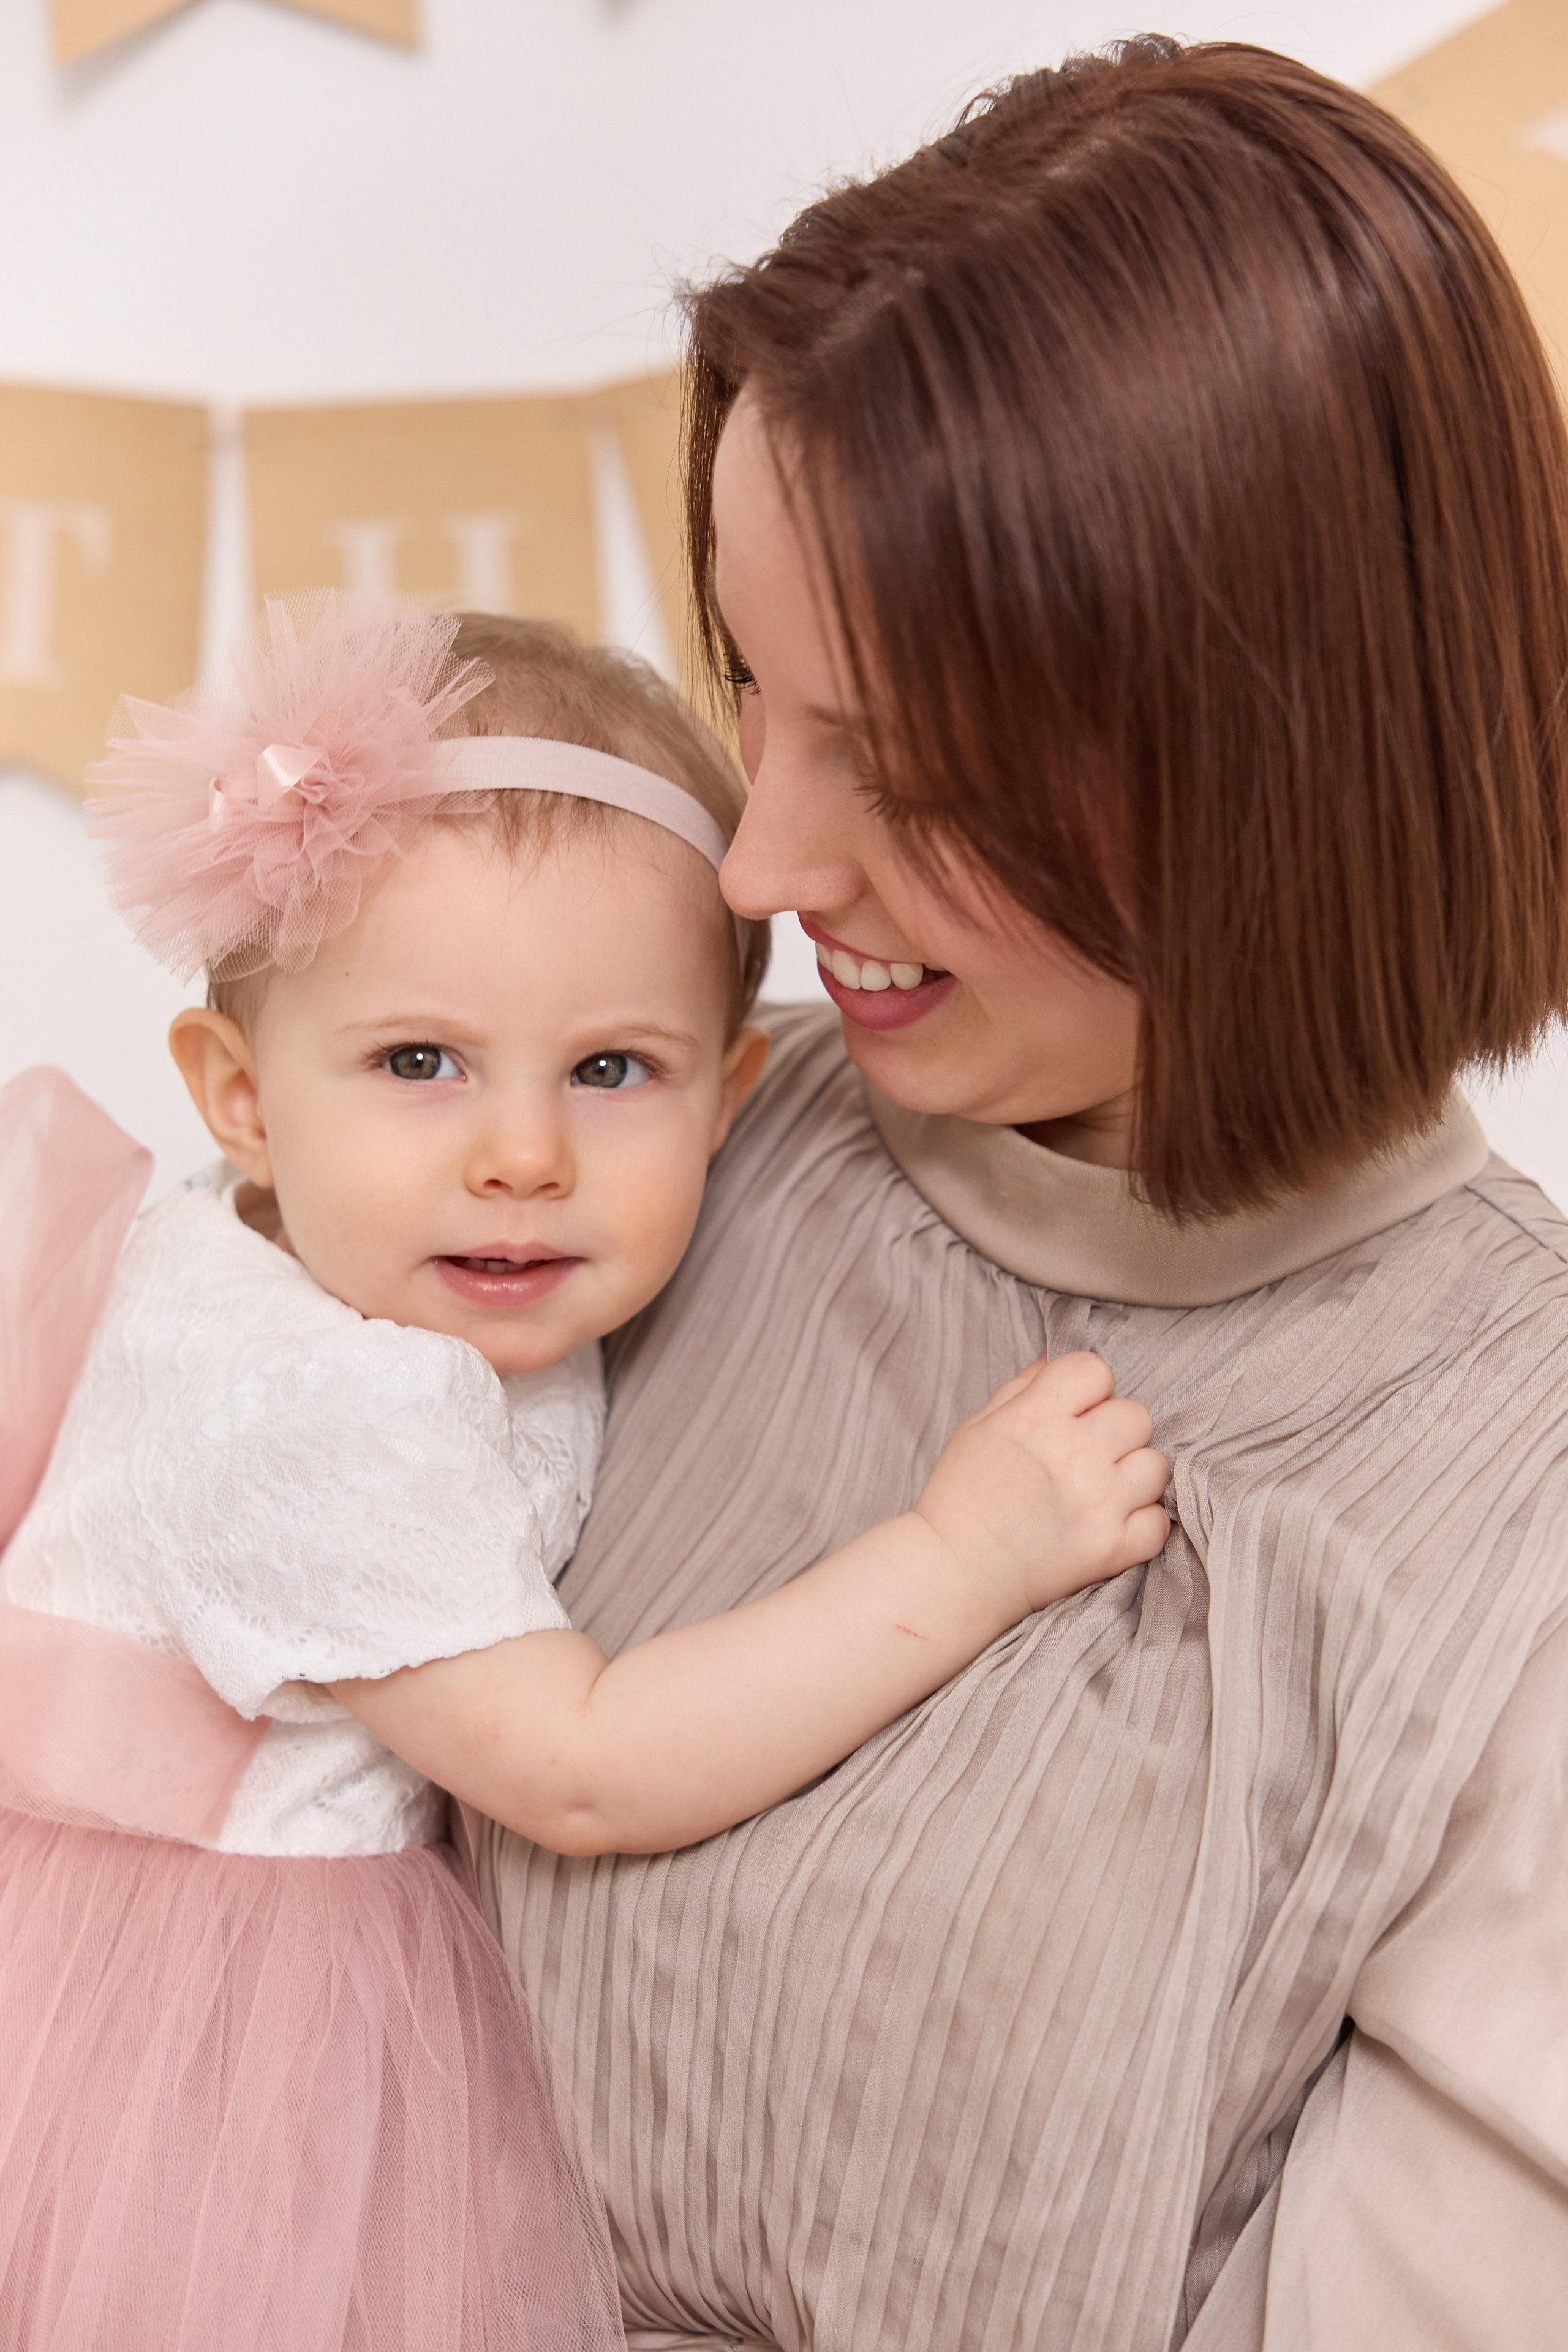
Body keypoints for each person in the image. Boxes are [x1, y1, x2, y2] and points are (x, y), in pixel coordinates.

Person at [470, 36, 1568, 2351]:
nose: (759, 866)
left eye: (914, 767)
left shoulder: (1512, 1531)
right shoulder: (623, 1160)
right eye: (755, 689)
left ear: (1285, 775)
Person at [0, 597, 1170, 2351]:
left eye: (612, 1070)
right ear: (239, 1097)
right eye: (420, 1064)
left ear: (731, 1101)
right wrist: (968, 1551)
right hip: (210, 2048)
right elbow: (585, 1764)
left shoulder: (408, 1273)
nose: (525, 1157)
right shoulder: (304, 1408)